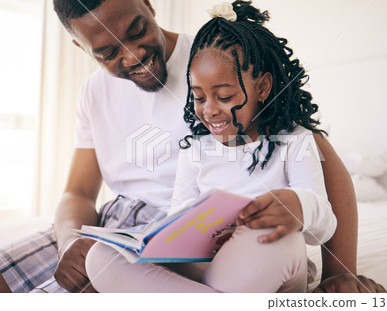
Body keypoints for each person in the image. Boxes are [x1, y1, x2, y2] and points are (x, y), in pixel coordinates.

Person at [0, 0, 385, 293]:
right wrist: (71, 241)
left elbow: (314, 151)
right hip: (149, 234)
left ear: (149, 4)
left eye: (136, 31)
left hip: (238, 234)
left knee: (268, 245)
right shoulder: (97, 94)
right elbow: (79, 191)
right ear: (81, 48)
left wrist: (340, 273)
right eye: (107, 52)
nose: (132, 55)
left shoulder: (216, 57)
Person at [84, 1, 337, 292]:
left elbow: (324, 227)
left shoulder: (295, 141)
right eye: (199, 98)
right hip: (206, 269)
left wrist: (301, 207)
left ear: (263, 87)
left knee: (273, 235)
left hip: (263, 260)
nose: (210, 111)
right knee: (101, 256)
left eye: (225, 96)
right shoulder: (195, 150)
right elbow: (178, 216)